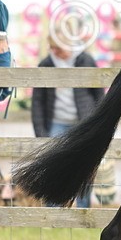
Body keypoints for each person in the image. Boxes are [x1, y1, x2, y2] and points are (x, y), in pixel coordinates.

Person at [32, 35, 103, 207]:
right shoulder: (46, 65)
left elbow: (99, 94)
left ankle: (83, 210)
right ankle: (53, 212)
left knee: (84, 167)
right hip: (56, 122)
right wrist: (41, 132)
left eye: (59, 48)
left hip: (83, 123)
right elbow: (38, 102)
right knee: (53, 168)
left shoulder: (86, 60)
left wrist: (98, 124)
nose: (56, 52)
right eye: (53, 48)